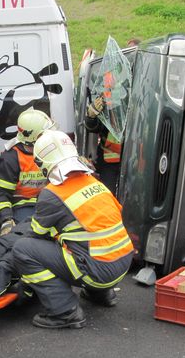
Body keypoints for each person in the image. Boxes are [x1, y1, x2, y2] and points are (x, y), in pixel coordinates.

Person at [12, 130, 134, 329]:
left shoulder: (52, 193)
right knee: (79, 239)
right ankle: (100, 294)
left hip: (98, 271)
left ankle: (64, 311)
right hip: (123, 262)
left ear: (43, 164)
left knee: (23, 249)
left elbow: (37, 234)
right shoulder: (94, 182)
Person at [0, 108, 56, 235]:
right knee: (29, 234)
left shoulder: (50, 151)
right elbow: (0, 193)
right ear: (34, 137)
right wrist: (6, 220)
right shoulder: (10, 159)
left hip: (49, 202)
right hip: (23, 207)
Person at [84, 95, 121, 192]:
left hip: (134, 159)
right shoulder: (107, 101)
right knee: (108, 192)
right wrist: (91, 117)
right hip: (109, 161)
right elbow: (94, 128)